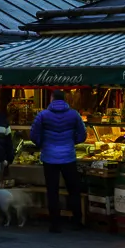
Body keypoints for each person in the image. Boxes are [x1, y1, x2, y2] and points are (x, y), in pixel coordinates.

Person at [30, 89, 87, 232]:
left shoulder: (42, 115)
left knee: (52, 190)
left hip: (49, 157)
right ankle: (77, 221)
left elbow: (33, 134)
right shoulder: (74, 114)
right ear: (65, 99)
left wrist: (42, 144)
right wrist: (72, 141)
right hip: (68, 156)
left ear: (51, 98)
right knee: (73, 190)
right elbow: (83, 134)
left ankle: (55, 224)